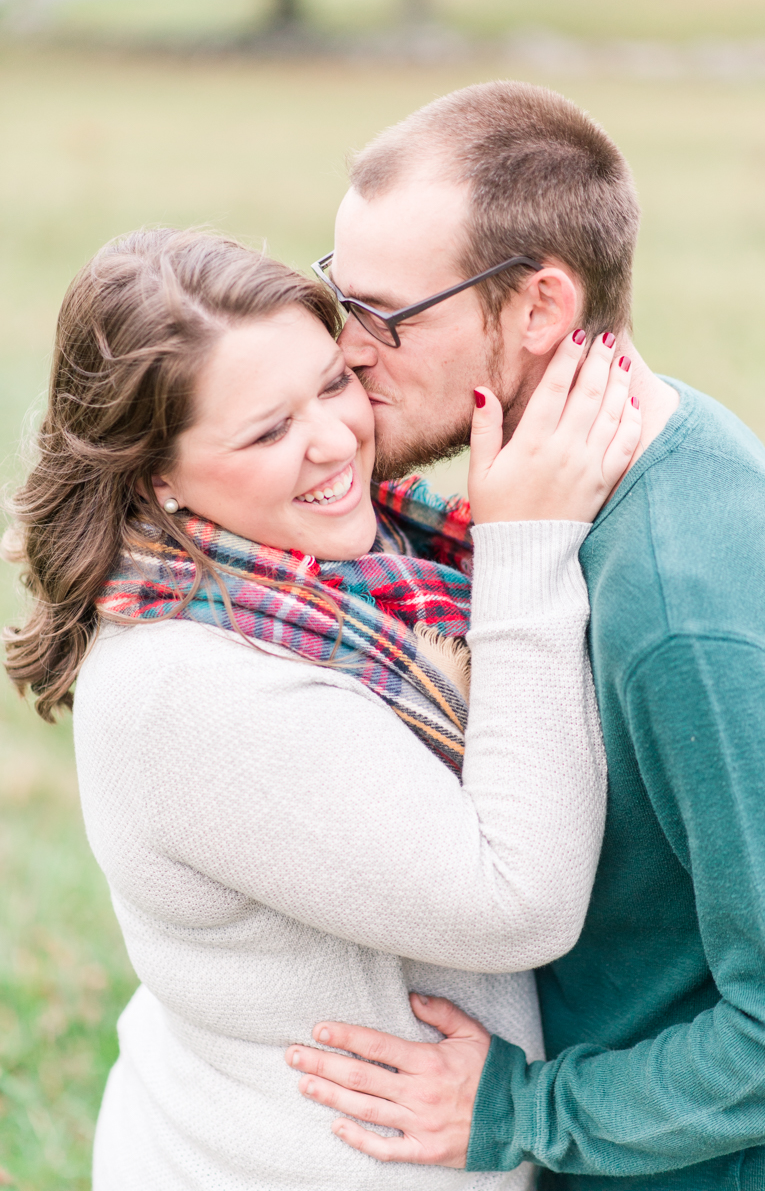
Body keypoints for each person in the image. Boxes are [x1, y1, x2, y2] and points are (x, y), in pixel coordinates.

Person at [3, 226, 640, 1190]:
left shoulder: (361, 571)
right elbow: (520, 902)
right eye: (267, 432)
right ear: (157, 477)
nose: (337, 439)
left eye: (335, 381)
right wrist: (531, 551)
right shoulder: (192, 692)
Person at [284, 81, 765, 1189]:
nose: (346, 351)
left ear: (537, 310)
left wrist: (522, 1109)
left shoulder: (678, 602)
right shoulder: (564, 485)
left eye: (385, 316)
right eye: (340, 296)